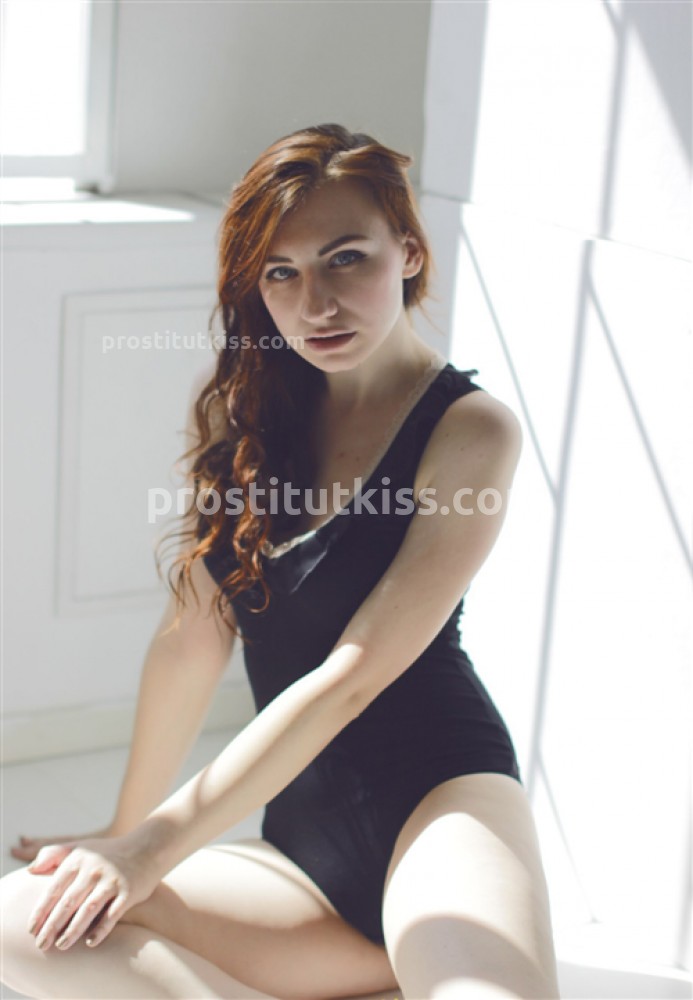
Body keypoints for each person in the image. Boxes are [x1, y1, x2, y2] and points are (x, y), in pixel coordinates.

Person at [0, 123, 561, 1000]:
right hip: (302, 850)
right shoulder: (249, 412)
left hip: (440, 806)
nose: (316, 305)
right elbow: (191, 640)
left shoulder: (468, 430)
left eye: (346, 260)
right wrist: (121, 832)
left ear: (408, 252)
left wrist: (153, 850)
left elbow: (351, 678)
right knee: (25, 919)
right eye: (281, 273)